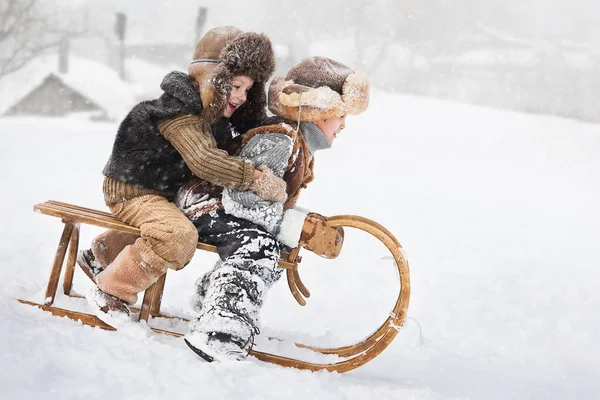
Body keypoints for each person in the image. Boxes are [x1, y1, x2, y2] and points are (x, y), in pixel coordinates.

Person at [83, 26, 282, 329]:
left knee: (193, 215)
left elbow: (226, 150)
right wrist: (253, 177)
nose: (241, 97)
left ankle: (102, 254)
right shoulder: (179, 114)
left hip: (161, 191)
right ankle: (110, 291)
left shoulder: (211, 118)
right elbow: (205, 161)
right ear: (212, 78)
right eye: (235, 85)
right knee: (177, 235)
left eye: (247, 90)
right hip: (132, 190)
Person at [176, 56, 370, 361]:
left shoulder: (297, 144)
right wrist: (294, 227)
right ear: (318, 109)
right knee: (259, 245)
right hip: (205, 204)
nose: (344, 125)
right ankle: (220, 331)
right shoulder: (281, 139)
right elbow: (245, 202)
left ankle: (216, 296)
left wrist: (294, 225)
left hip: (220, 206)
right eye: (341, 115)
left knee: (267, 244)